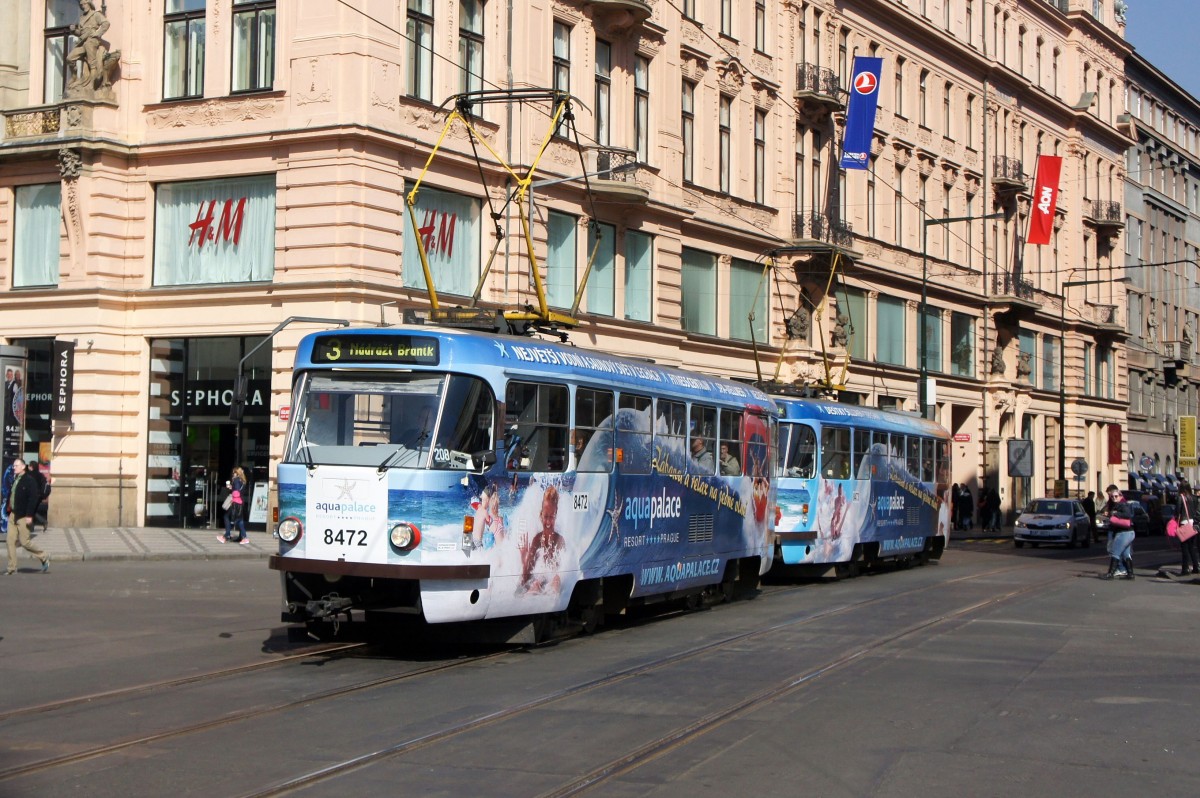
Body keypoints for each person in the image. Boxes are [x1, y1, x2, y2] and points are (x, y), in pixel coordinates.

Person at [517, 485, 566, 595]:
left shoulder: (560, 541)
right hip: (538, 581)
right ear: (541, 515)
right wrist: (523, 558)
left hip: (553, 582)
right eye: (546, 516)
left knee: (556, 580)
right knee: (536, 583)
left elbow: (564, 572)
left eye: (551, 517)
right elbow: (525, 579)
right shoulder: (537, 540)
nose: (548, 522)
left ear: (556, 515)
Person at [6, 459, 50, 575]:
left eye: (16, 465)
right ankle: (12, 568)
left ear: (23, 467)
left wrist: (29, 515)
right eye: (13, 465)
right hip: (13, 514)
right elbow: (12, 495)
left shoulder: (29, 481)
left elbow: (33, 499)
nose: (14, 467)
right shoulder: (16, 479)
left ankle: (44, 556)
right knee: (10, 541)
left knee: (24, 542)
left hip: (23, 515)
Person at [1100, 484, 1135, 580]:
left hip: (1124, 532)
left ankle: (1110, 574)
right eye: (1112, 496)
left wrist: (1115, 513)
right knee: (1125, 553)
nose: (1114, 498)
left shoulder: (1122, 504)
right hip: (1127, 532)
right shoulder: (1117, 504)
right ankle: (1130, 574)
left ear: (1120, 496)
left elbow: (1128, 514)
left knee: (1115, 552)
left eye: (1116, 496)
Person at [217, 467, 249, 544]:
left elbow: (236, 492)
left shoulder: (236, 480)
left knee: (229, 518)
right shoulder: (242, 480)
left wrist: (232, 490)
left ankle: (226, 535)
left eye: (234, 472)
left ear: (237, 473)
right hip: (240, 502)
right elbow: (239, 491)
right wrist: (233, 487)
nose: (233, 474)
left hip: (236, 502)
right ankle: (243, 537)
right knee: (239, 520)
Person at [1177, 487, 1200, 577]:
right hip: (1193, 523)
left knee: (1184, 547)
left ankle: (1185, 568)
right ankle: (1196, 566)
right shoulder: (1194, 498)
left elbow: (1177, 511)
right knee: (1192, 547)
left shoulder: (1181, 498)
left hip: (1184, 523)